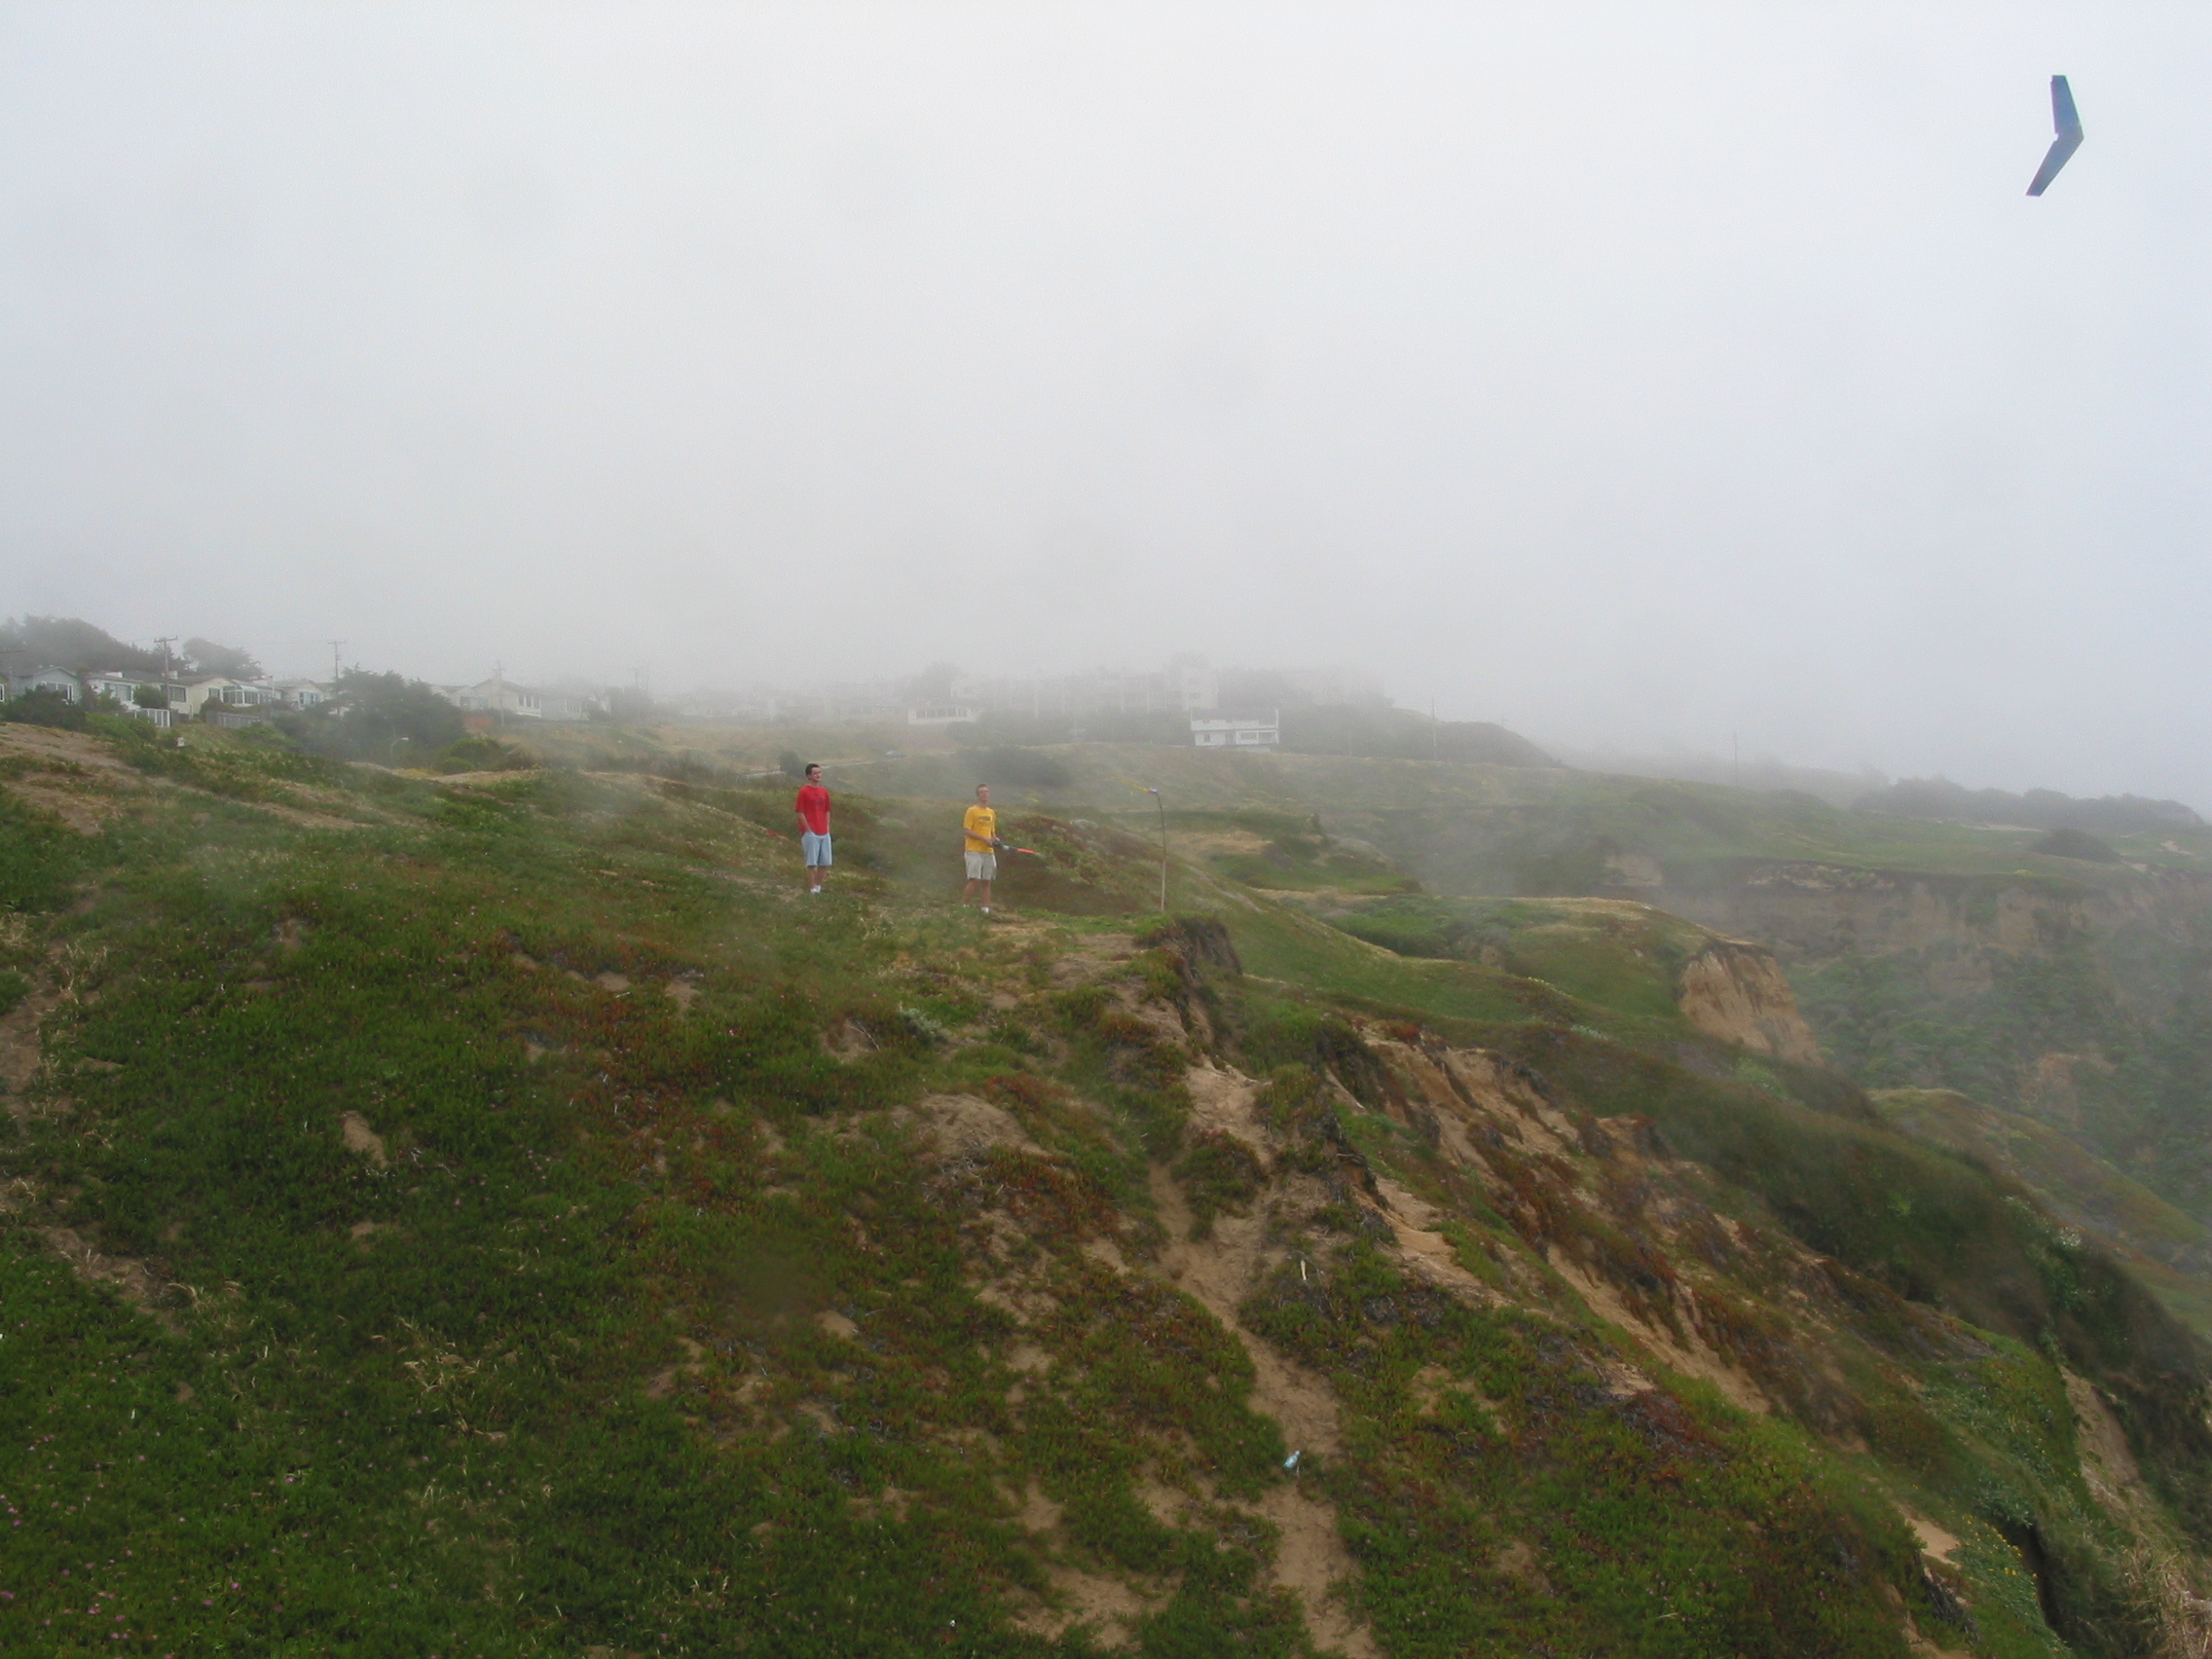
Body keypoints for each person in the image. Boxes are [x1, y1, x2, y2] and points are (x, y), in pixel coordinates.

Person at [793, 763, 831, 894]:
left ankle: (818, 886)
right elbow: (800, 811)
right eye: (815, 773)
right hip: (811, 832)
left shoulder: (824, 791)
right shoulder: (804, 791)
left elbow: (827, 810)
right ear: (809, 775)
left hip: (824, 832)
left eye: (819, 772)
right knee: (811, 863)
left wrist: (827, 827)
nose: (818, 775)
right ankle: (812, 888)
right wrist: (808, 830)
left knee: (825, 862)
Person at [962, 784, 998, 913]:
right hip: (973, 850)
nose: (984, 794)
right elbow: (967, 831)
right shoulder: (972, 811)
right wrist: (984, 839)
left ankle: (985, 909)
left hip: (988, 851)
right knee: (974, 879)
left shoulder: (992, 813)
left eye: (986, 791)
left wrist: (994, 839)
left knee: (987, 881)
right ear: (977, 795)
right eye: (981, 792)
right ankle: (965, 907)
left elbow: (992, 832)